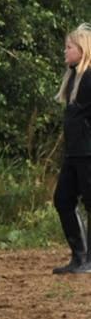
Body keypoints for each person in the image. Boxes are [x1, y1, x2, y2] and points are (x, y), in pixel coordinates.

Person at [52, 22, 91, 274]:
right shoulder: (74, 77)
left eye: (69, 47)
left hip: (89, 153)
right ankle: (79, 257)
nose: (65, 52)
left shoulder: (90, 77)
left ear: (82, 49)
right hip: (74, 153)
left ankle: (87, 261)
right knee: (63, 199)